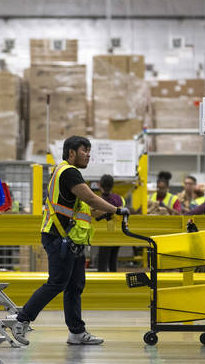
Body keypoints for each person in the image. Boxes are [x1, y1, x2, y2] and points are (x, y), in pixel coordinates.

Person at [10, 136, 129, 346]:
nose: (88, 154)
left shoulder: (67, 173)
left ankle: (76, 332)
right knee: (57, 283)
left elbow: (84, 208)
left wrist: (102, 213)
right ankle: (21, 320)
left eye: (89, 150)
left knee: (74, 286)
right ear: (71, 153)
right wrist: (117, 210)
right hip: (59, 238)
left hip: (70, 239)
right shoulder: (69, 172)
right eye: (84, 150)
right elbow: (90, 197)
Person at [94, 174, 123, 272]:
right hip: (117, 234)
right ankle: (114, 283)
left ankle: (102, 284)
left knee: (102, 264)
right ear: (112, 185)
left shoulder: (97, 200)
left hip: (104, 235)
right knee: (113, 262)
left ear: (99, 185)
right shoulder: (119, 198)